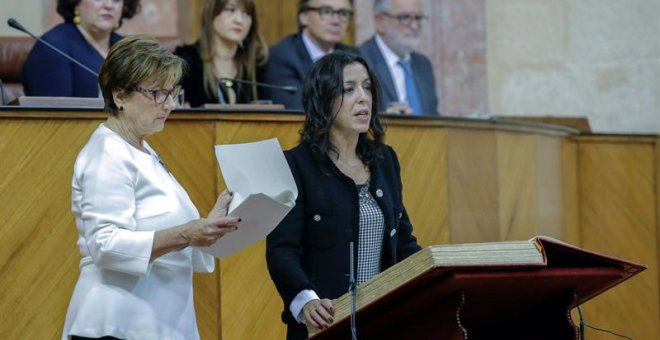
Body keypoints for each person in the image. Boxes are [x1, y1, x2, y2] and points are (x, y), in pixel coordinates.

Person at [61, 36, 241, 340]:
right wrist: (187, 233)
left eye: (173, 93)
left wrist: (207, 228)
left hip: (158, 317)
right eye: (158, 93)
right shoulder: (107, 153)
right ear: (120, 95)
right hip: (116, 322)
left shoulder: (141, 149)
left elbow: (164, 231)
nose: (169, 104)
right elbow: (105, 244)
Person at [266, 51, 421, 340]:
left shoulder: (385, 159)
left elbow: (403, 242)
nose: (363, 98)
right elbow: (282, 250)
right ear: (323, 99)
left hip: (383, 319)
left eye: (367, 87)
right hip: (324, 323)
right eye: (348, 89)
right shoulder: (294, 165)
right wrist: (305, 299)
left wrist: (437, 274)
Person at [22, 0, 141, 97]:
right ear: (76, 3)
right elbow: (53, 117)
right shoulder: (53, 47)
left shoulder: (129, 48)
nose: (109, 5)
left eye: (116, 0)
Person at [265, 0, 358, 110]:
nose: (336, 21)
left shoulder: (353, 56)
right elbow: (295, 109)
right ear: (304, 17)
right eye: (326, 12)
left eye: (343, 13)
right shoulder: (282, 57)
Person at [175, 0, 268, 107]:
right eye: (230, 10)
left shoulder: (257, 63)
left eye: (246, 13)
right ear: (212, 14)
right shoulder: (187, 60)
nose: (239, 20)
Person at [359, 0, 439, 115]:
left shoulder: (423, 65)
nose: (414, 26)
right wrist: (387, 119)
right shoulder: (359, 61)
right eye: (405, 17)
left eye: (418, 18)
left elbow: (433, 118)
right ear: (380, 21)